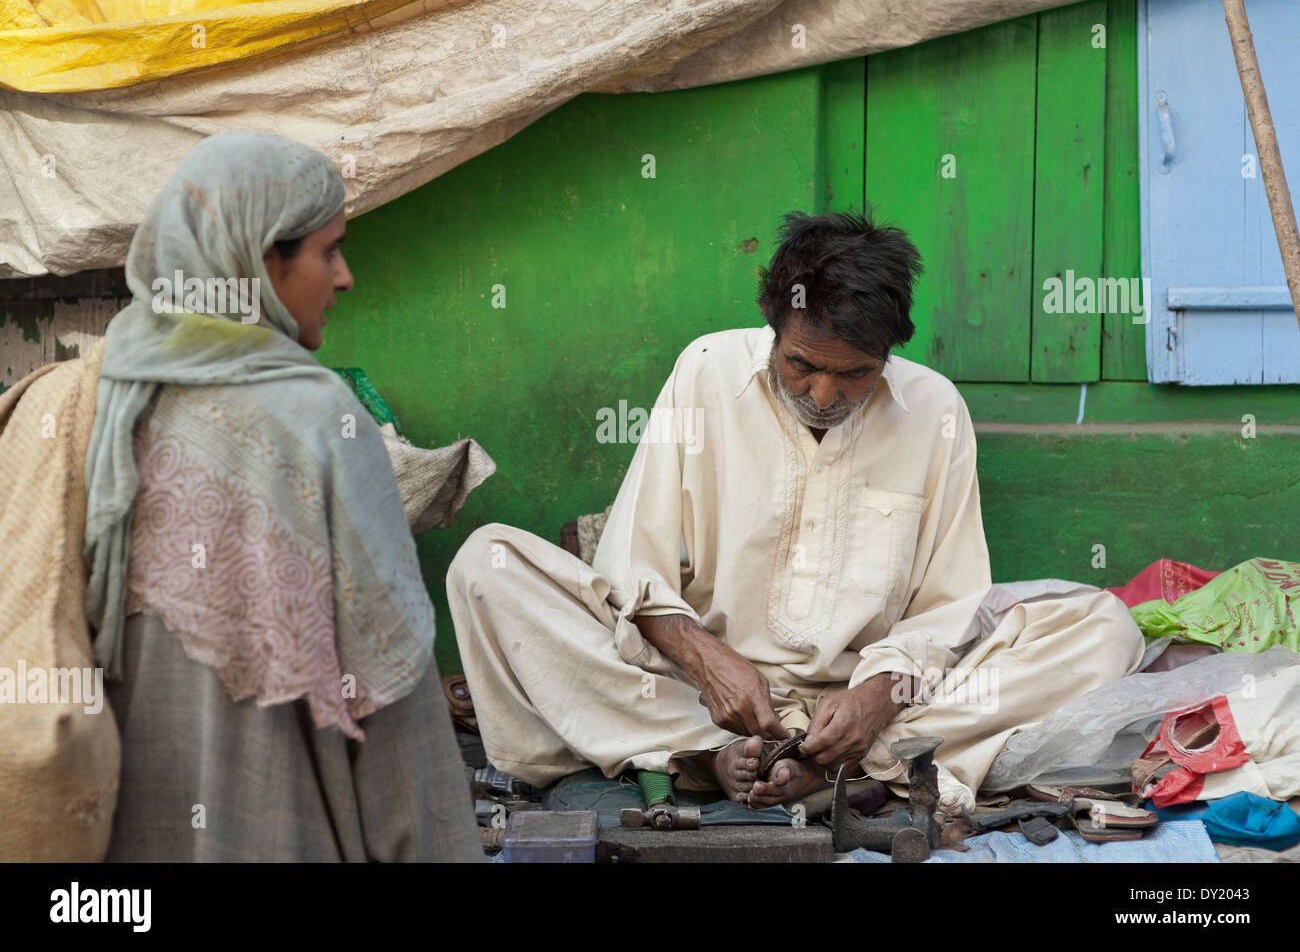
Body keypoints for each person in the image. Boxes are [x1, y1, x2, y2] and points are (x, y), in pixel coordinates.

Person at [447, 210, 1145, 813]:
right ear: (775, 324)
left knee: (1102, 629)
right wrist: (708, 659)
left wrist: (878, 697)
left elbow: (945, 606)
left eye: (855, 374)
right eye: (802, 364)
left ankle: (831, 764)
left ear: (889, 353)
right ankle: (708, 753)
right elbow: (632, 564)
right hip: (692, 690)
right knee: (489, 561)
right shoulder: (707, 371)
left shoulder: (935, 412)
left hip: (862, 703)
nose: (824, 393)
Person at [82, 131, 480, 861]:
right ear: (263, 260)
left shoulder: (88, 409)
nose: (346, 276)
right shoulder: (316, 422)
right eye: (329, 251)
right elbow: (398, 728)